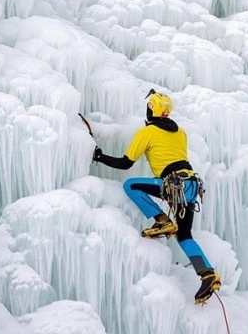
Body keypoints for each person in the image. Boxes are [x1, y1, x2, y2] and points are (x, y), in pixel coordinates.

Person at [92, 89, 221, 305]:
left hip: (173, 184)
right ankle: (207, 274)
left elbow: (126, 163)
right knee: (185, 235)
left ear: (151, 110)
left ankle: (162, 221)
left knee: (131, 185)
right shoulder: (180, 132)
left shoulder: (147, 132)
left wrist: (100, 156)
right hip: (190, 185)